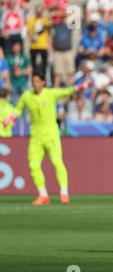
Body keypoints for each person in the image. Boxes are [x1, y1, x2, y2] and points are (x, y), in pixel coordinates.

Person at [2, 72, 87, 205]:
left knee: (57, 162)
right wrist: (10, 118)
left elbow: (66, 91)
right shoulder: (27, 96)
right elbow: (18, 110)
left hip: (51, 135)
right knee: (33, 165)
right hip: (36, 136)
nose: (35, 84)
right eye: (33, 81)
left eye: (37, 81)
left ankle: (64, 192)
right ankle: (43, 194)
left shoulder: (50, 94)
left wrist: (79, 87)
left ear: (43, 82)